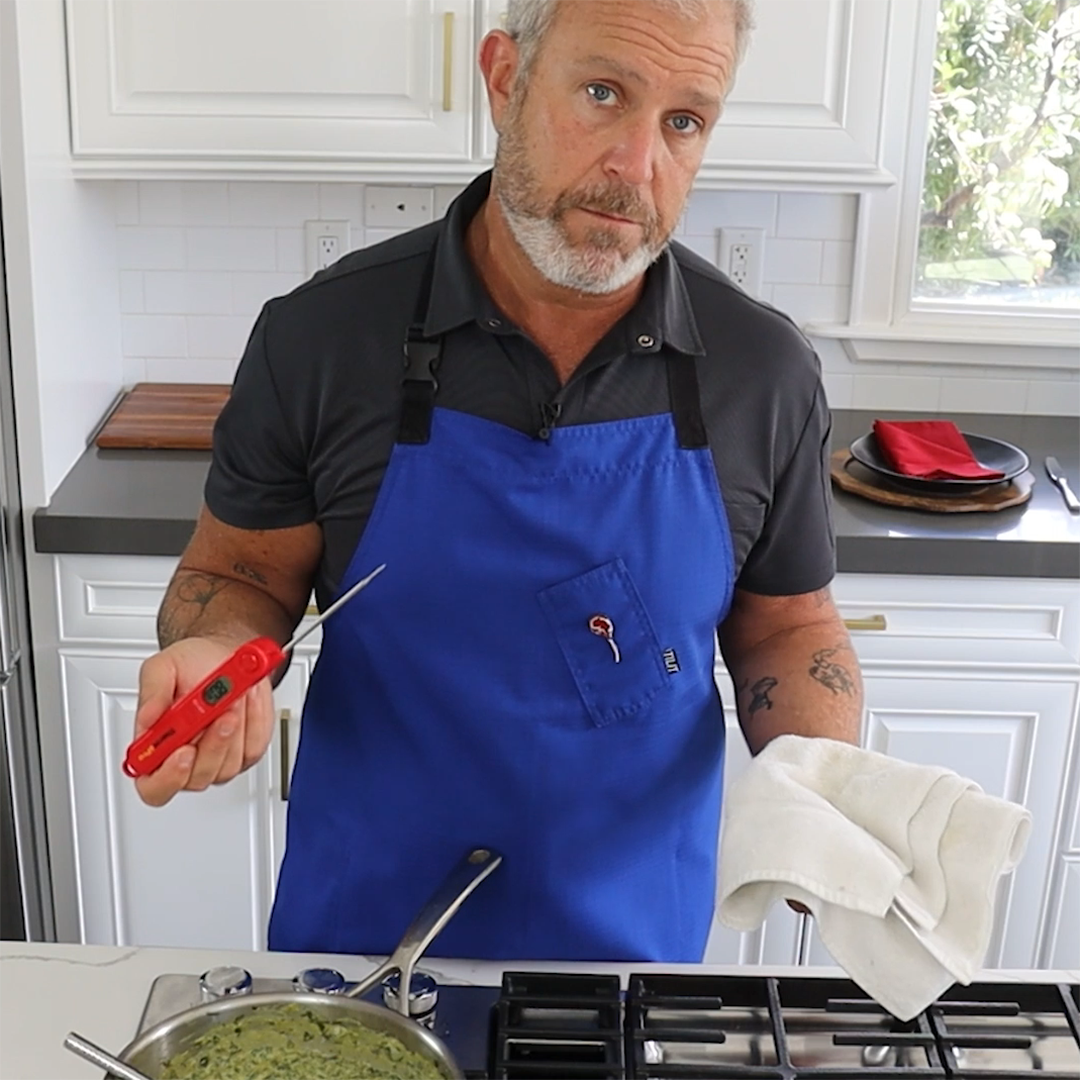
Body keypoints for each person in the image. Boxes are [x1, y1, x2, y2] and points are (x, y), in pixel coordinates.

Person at [133, 0, 863, 962]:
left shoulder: (760, 369)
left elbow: (787, 626)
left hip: (631, 941)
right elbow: (239, 573)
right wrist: (215, 651)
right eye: (602, 93)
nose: (638, 164)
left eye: (684, 120)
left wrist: (824, 797)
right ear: (505, 78)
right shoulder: (320, 339)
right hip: (363, 927)